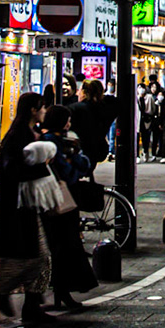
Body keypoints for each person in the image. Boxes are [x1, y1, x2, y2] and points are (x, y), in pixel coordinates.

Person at [0, 93, 54, 328]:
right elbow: (12, 170)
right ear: (33, 110)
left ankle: (29, 304)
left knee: (36, 256)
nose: (44, 111)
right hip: (17, 207)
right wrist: (41, 167)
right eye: (42, 108)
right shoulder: (19, 136)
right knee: (24, 257)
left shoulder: (28, 133)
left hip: (26, 206)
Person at [35, 105, 98, 312]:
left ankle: (60, 293)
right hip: (59, 200)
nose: (69, 124)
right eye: (67, 120)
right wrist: (74, 161)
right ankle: (60, 292)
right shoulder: (52, 141)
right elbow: (70, 170)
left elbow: (81, 163)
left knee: (63, 246)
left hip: (61, 199)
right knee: (63, 246)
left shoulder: (58, 139)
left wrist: (75, 160)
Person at [69, 79, 117, 164]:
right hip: (99, 149)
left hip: (82, 149)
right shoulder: (106, 108)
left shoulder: (75, 109)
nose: (77, 93)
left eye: (79, 90)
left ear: (84, 92)